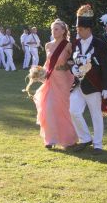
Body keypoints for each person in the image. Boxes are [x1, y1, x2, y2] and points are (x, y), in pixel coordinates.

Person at [70, 4, 107, 154]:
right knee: (73, 110)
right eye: (77, 29)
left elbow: (106, 66)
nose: (78, 31)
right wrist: (73, 68)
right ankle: (85, 138)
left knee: (96, 115)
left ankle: (98, 144)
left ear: (88, 29)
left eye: (80, 29)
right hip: (78, 84)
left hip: (94, 85)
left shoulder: (100, 44)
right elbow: (72, 61)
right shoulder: (76, 43)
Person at [33, 18, 77, 149]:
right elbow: (47, 63)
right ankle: (50, 139)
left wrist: (66, 66)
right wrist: (39, 72)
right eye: (52, 29)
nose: (54, 31)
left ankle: (67, 139)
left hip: (63, 81)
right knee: (48, 108)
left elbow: (74, 61)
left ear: (63, 31)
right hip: (50, 81)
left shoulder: (68, 45)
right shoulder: (48, 45)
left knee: (62, 110)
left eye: (56, 29)